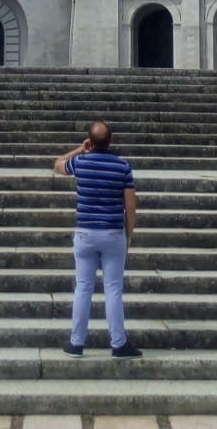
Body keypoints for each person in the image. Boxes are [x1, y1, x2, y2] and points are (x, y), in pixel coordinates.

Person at [53, 120, 142, 359]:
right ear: (111, 140)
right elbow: (130, 205)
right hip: (113, 234)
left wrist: (80, 150)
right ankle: (119, 344)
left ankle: (76, 343)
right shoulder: (122, 167)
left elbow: (57, 164)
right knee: (113, 289)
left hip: (85, 233)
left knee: (83, 287)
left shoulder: (81, 162)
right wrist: (130, 233)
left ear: (91, 141)